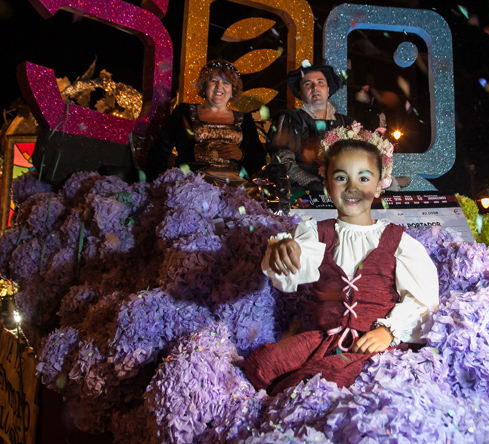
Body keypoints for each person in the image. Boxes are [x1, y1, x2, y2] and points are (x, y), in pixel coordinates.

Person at [243, 123, 439, 395]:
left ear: (380, 185)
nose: (352, 188)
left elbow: (423, 301)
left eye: (363, 178)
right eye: (341, 178)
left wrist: (390, 331)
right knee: (261, 366)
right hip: (323, 339)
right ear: (326, 184)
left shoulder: (399, 242)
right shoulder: (315, 232)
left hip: (373, 345)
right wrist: (284, 251)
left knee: (321, 381)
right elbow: (295, 268)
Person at [145, 60, 267, 193]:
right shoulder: (184, 112)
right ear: (204, 85)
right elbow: (160, 151)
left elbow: (259, 160)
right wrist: (155, 186)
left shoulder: (245, 120)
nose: (219, 86)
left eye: (226, 83)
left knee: (252, 200)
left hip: (233, 187)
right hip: (192, 185)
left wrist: (240, 155)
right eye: (213, 80)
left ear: (233, 89)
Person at [265, 62, 355, 193]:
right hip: (301, 195)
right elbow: (282, 161)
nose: (315, 88)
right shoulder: (289, 119)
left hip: (342, 192)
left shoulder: (346, 123)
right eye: (308, 84)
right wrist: (314, 182)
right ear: (301, 93)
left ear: (328, 90)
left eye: (320, 83)